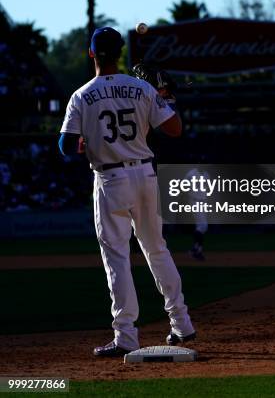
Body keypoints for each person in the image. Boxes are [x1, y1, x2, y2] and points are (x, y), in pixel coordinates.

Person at [59, 27, 195, 357]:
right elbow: (175, 130)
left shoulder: (81, 95)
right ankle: (182, 323)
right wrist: (167, 96)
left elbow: (65, 146)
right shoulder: (142, 87)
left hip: (110, 181)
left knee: (117, 258)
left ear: (91, 53)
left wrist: (82, 142)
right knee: (156, 249)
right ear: (120, 53)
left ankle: (126, 336)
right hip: (145, 175)